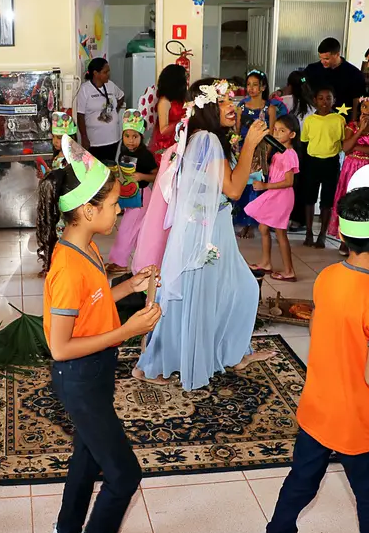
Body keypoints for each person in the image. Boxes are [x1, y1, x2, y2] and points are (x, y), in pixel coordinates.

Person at [258, 175, 369, 533]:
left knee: (301, 482)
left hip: (317, 406)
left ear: (344, 235)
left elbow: (322, 331)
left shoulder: (328, 276)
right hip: (356, 418)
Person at [36, 134, 160, 533]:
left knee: (88, 454)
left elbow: (96, 299)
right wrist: (127, 330)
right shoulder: (68, 269)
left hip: (95, 369)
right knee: (124, 475)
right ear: (88, 211)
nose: (118, 209)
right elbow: (60, 348)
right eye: (112, 204)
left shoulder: (85, 244)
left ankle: (66, 532)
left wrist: (130, 285)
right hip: (78, 376)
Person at [136, 78, 275, 391]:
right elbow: (233, 189)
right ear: (208, 107)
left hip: (214, 225)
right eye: (224, 101)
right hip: (206, 231)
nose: (232, 107)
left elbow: (221, 184)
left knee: (234, 288)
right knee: (197, 295)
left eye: (232, 100)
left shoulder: (204, 137)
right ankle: (153, 363)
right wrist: (249, 145)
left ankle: (232, 352)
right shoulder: (208, 139)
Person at [327, 96, 369, 255]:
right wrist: (360, 130)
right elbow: (345, 147)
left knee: (366, 202)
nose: (368, 110)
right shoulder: (352, 126)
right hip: (351, 168)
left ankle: (364, 240)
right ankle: (345, 239)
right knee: (349, 201)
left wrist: (355, 147)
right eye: (365, 106)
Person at [245, 114, 301, 282]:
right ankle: (266, 263)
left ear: (292, 134)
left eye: (282, 131)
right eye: (275, 130)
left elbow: (289, 182)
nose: (276, 133)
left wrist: (265, 186)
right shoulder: (278, 152)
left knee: (280, 233)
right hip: (274, 194)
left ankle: (289, 271)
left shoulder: (289, 154)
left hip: (281, 196)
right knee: (263, 228)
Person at [235, 70, 287, 238]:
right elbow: (236, 131)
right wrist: (236, 149)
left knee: (255, 185)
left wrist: (266, 155)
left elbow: (271, 134)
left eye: (255, 85)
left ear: (263, 87)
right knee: (242, 184)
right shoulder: (241, 107)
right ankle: (242, 219)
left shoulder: (269, 108)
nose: (251, 88)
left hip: (261, 150)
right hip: (243, 149)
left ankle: (252, 223)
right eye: (248, 85)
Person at [106, 109, 158, 275]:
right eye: (127, 136)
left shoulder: (145, 155)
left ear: (141, 136)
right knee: (135, 231)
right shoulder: (124, 151)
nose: (130, 140)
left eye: (135, 136)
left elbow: (156, 174)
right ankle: (142, 261)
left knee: (126, 229)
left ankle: (119, 262)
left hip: (141, 197)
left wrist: (141, 176)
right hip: (129, 196)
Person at [301, 86, 346, 248]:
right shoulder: (310, 120)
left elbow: (343, 142)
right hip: (312, 162)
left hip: (331, 162)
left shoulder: (339, 120)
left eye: (328, 98)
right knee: (309, 199)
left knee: (327, 200)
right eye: (321, 98)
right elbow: (305, 141)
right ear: (315, 101)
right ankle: (308, 232)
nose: (324, 102)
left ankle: (322, 234)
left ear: (334, 101)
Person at [282, 70, 316, 232]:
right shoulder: (312, 105)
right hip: (308, 148)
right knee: (302, 184)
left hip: (291, 145)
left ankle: (284, 217)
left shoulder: (286, 101)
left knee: (287, 182)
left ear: (289, 85)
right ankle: (299, 220)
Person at [304, 37, 366, 121]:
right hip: (316, 118)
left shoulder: (354, 73)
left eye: (326, 59)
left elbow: (356, 99)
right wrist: (303, 81)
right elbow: (301, 80)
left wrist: (354, 121)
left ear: (337, 54)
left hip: (342, 118)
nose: (322, 61)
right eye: (320, 58)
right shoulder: (312, 69)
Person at [76, 58, 126, 162]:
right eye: (105, 72)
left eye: (108, 71)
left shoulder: (111, 85)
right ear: (96, 73)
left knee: (111, 166)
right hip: (95, 141)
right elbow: (80, 115)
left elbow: (121, 96)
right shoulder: (85, 89)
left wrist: (114, 110)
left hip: (113, 138)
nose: (108, 74)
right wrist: (84, 137)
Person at [148, 64, 188, 165]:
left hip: (179, 140)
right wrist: (181, 121)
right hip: (166, 144)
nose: (187, 81)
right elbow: (163, 130)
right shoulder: (164, 102)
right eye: (185, 78)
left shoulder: (181, 99)